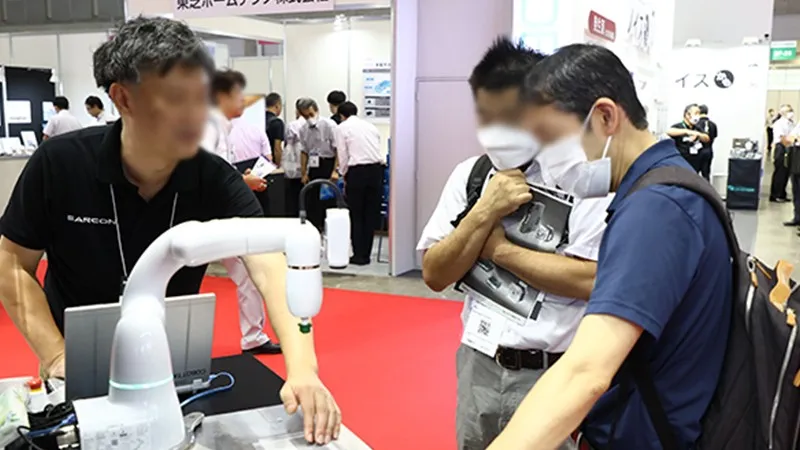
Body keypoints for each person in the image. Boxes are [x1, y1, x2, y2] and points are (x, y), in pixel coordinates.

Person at [0, 17, 340, 445]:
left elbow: (269, 264)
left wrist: (303, 369)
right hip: (75, 371)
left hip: (171, 371)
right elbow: (12, 263)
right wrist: (54, 354)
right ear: (123, 97)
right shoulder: (61, 164)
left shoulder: (212, 176)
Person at [487, 44, 731, 450]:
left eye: (551, 139)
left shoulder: (656, 209)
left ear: (604, 116)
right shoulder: (668, 185)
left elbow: (586, 373)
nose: (546, 163)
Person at [417, 38, 612, 450]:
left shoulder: (586, 179)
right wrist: (484, 211)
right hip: (478, 363)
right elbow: (434, 273)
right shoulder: (471, 175)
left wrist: (498, 250)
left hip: (554, 372)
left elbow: (591, 280)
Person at [203, 69, 281, 355]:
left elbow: (219, 170)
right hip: (209, 214)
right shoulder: (209, 126)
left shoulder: (221, 126)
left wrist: (240, 179)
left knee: (247, 273)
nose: (245, 100)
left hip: (220, 212)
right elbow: (206, 172)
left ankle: (253, 337)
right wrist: (242, 182)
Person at [335, 101, 385, 266]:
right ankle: (366, 254)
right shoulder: (370, 126)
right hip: (376, 170)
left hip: (357, 172)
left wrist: (342, 173)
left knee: (356, 214)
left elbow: (342, 154)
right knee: (370, 213)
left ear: (342, 115)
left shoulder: (342, 127)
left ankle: (358, 255)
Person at [296, 98, 338, 231]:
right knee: (313, 200)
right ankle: (314, 229)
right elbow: (304, 152)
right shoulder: (303, 129)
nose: (309, 118)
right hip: (314, 165)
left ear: (316, 110)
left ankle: (329, 229)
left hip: (329, 163)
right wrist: (303, 173)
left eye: (310, 114)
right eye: (305, 116)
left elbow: (338, 150)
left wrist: (335, 170)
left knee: (328, 199)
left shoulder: (329, 125)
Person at [666, 104, 710, 174]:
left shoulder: (697, 128)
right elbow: (669, 131)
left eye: (699, 113)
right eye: (696, 113)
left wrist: (698, 134)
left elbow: (706, 138)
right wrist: (687, 132)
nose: (698, 116)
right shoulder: (679, 126)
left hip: (694, 162)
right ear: (688, 114)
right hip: (681, 162)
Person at [283, 106, 306, 218]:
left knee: (294, 192)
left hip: (294, 159)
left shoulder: (292, 125)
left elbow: (288, 142)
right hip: (310, 162)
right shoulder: (313, 124)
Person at [771, 104, 794, 203]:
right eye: (788, 111)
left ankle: (782, 194)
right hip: (781, 148)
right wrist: (792, 140)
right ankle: (775, 194)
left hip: (789, 148)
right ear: (783, 113)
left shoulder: (791, 123)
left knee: (786, 173)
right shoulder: (779, 123)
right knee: (780, 172)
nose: (791, 113)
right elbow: (782, 138)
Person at [696, 104, 718, 181]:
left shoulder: (696, 124)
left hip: (697, 151)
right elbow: (714, 136)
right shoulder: (713, 125)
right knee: (706, 174)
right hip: (709, 150)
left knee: (694, 173)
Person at [265, 92, 285, 164]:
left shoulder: (258, 120)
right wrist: (278, 165)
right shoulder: (277, 122)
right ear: (277, 106)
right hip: (270, 163)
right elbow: (277, 149)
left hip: (256, 162)